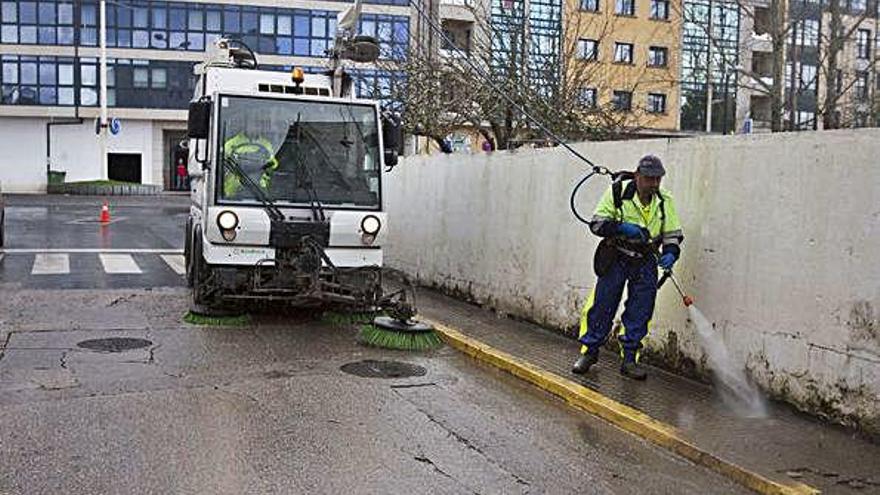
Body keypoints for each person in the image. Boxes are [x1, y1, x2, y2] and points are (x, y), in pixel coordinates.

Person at [572, 155, 684, 380]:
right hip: (616, 256)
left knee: (640, 310)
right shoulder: (617, 192)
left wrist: (671, 253)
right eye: (649, 179)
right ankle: (589, 352)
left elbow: (672, 233)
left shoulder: (664, 200)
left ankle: (630, 359)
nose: (653, 184)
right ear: (637, 176)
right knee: (602, 305)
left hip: (645, 260)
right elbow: (597, 223)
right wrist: (623, 228)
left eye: (657, 180)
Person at [222, 131, 279, 198]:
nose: (254, 127)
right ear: (245, 124)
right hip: (234, 191)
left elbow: (273, 164)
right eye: (251, 123)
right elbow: (222, 164)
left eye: (257, 124)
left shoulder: (266, 145)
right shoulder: (231, 144)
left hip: (260, 191)